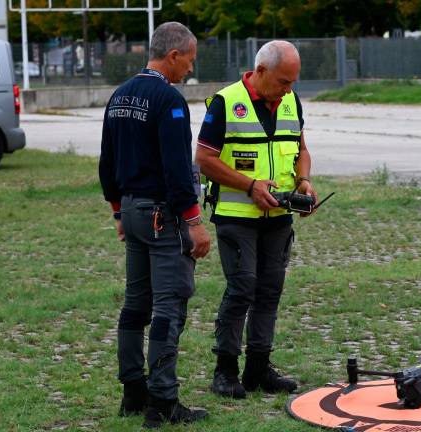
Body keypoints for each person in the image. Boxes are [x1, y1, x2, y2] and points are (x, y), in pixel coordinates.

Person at [98, 21, 211, 428]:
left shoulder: (119, 96)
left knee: (135, 304)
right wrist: (195, 223)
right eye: (189, 62)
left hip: (131, 210)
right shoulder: (170, 101)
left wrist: (118, 212)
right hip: (164, 216)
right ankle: (162, 401)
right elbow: (179, 171)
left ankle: (133, 390)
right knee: (168, 306)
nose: (190, 71)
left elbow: (107, 163)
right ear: (174, 55)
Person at [195, 40, 316, 399]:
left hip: (279, 215)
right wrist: (249, 186)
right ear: (260, 71)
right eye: (283, 81)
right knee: (242, 287)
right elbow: (203, 159)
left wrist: (304, 180)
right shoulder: (225, 102)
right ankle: (225, 369)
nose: (288, 89)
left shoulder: (291, 101)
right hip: (237, 216)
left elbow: (301, 149)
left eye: (293, 82)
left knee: (269, 290)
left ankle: (259, 369)